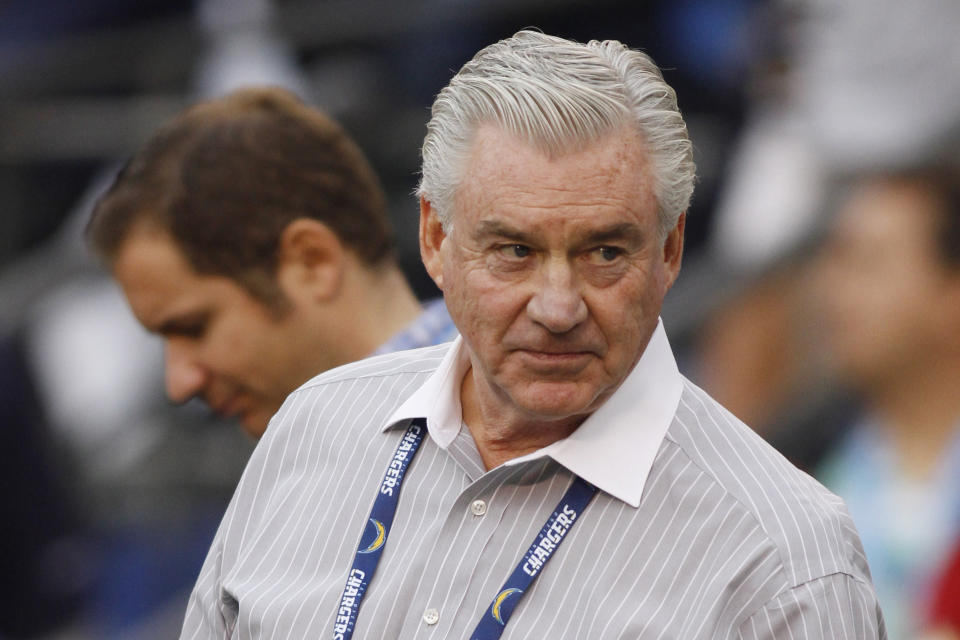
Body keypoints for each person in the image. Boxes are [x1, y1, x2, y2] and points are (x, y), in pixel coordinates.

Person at [180, 31, 884, 638]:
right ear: (434, 239)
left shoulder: (784, 559)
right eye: (513, 250)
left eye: (605, 252)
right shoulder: (313, 427)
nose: (557, 306)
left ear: (670, 253)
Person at [86, 87, 457, 438]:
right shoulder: (311, 459)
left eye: (194, 327)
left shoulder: (496, 409)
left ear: (312, 261)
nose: (179, 384)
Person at [814, 168, 960, 639]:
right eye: (838, 260)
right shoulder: (805, 477)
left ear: (952, 295)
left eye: (870, 264)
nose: (836, 293)